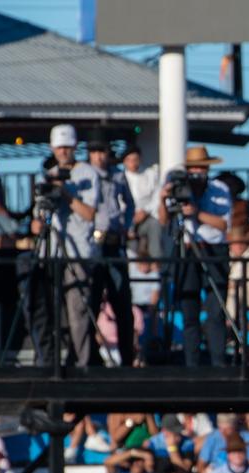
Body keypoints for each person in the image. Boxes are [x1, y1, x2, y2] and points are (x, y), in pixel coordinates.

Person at [29, 124, 101, 367]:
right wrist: (37, 223)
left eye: (67, 148)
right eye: (59, 148)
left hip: (76, 251)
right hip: (50, 250)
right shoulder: (48, 174)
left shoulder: (87, 174)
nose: (63, 152)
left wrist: (66, 194)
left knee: (77, 311)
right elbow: (38, 214)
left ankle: (80, 363)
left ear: (75, 148)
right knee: (48, 310)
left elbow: (90, 213)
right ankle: (48, 360)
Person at [158, 146, 233, 366]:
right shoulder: (179, 187)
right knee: (189, 311)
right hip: (187, 249)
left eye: (202, 167)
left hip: (214, 251)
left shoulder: (219, 189)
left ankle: (218, 364)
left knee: (215, 312)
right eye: (193, 168)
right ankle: (192, 365)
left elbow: (222, 224)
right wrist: (163, 199)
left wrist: (196, 212)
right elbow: (164, 222)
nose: (197, 172)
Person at [84, 132, 137, 367]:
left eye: (102, 152)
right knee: (92, 300)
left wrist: (125, 225)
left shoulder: (118, 176)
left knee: (121, 300)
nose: (98, 157)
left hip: (114, 242)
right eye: (94, 153)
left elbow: (130, 204)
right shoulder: (85, 175)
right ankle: (91, 356)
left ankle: (127, 357)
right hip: (93, 242)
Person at [121, 146, 163, 269]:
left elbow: (157, 196)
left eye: (136, 159)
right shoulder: (121, 177)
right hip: (127, 220)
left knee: (155, 226)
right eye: (129, 160)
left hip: (147, 216)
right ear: (124, 162)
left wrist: (145, 211)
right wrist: (131, 217)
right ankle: (132, 268)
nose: (133, 163)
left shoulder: (150, 174)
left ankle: (157, 266)